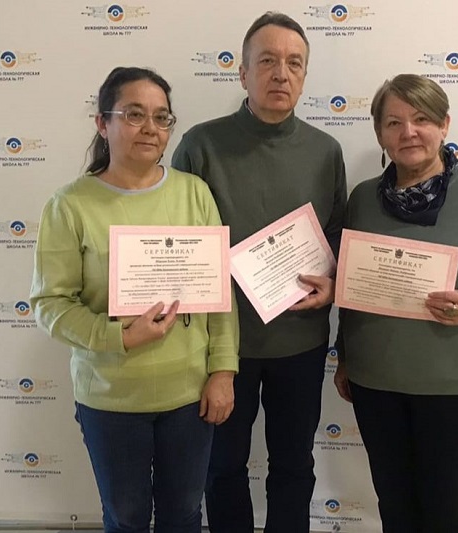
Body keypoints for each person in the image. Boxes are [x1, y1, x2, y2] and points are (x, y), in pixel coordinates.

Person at [29, 66, 239, 533]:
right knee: (126, 518)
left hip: (189, 395)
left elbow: (219, 292)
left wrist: (223, 371)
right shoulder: (70, 205)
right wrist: (118, 336)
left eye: (162, 117)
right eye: (134, 114)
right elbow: (50, 304)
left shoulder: (194, 193)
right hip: (110, 398)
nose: (150, 128)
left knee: (184, 515)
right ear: (102, 123)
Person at [334, 74, 458, 533]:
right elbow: (353, 286)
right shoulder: (363, 199)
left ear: (444, 125)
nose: (408, 132)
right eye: (394, 122)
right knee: (395, 509)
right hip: (376, 384)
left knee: (447, 513)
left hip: (456, 389)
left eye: (422, 119)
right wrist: (345, 356)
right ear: (380, 134)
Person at [171, 12, 347, 533]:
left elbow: (336, 234)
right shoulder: (200, 145)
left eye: (294, 63)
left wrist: (332, 283)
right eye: (267, 61)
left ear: (305, 75)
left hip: (301, 341)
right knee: (222, 466)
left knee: (293, 466)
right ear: (243, 72)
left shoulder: (326, 150)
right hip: (223, 348)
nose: (281, 73)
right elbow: (176, 240)